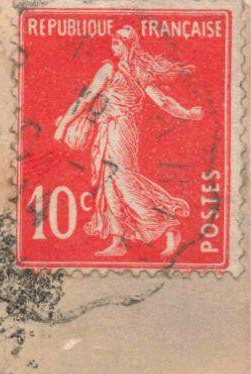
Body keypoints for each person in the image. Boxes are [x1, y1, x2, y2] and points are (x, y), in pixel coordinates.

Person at [53, 24, 203, 259]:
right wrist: (188, 113)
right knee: (109, 182)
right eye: (113, 42)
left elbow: (161, 100)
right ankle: (118, 239)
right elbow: (86, 98)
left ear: (128, 45)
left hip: (121, 129)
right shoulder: (117, 69)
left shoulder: (122, 70)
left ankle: (167, 225)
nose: (113, 47)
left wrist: (188, 113)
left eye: (117, 43)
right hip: (111, 128)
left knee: (122, 180)